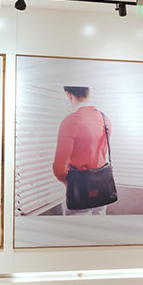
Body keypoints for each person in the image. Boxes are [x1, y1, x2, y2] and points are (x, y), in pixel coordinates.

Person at [52, 86, 113, 215]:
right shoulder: (105, 119)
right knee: (100, 226)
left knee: (77, 228)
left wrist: (69, 181)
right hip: (102, 189)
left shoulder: (70, 121)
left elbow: (59, 168)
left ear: (69, 95)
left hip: (79, 191)